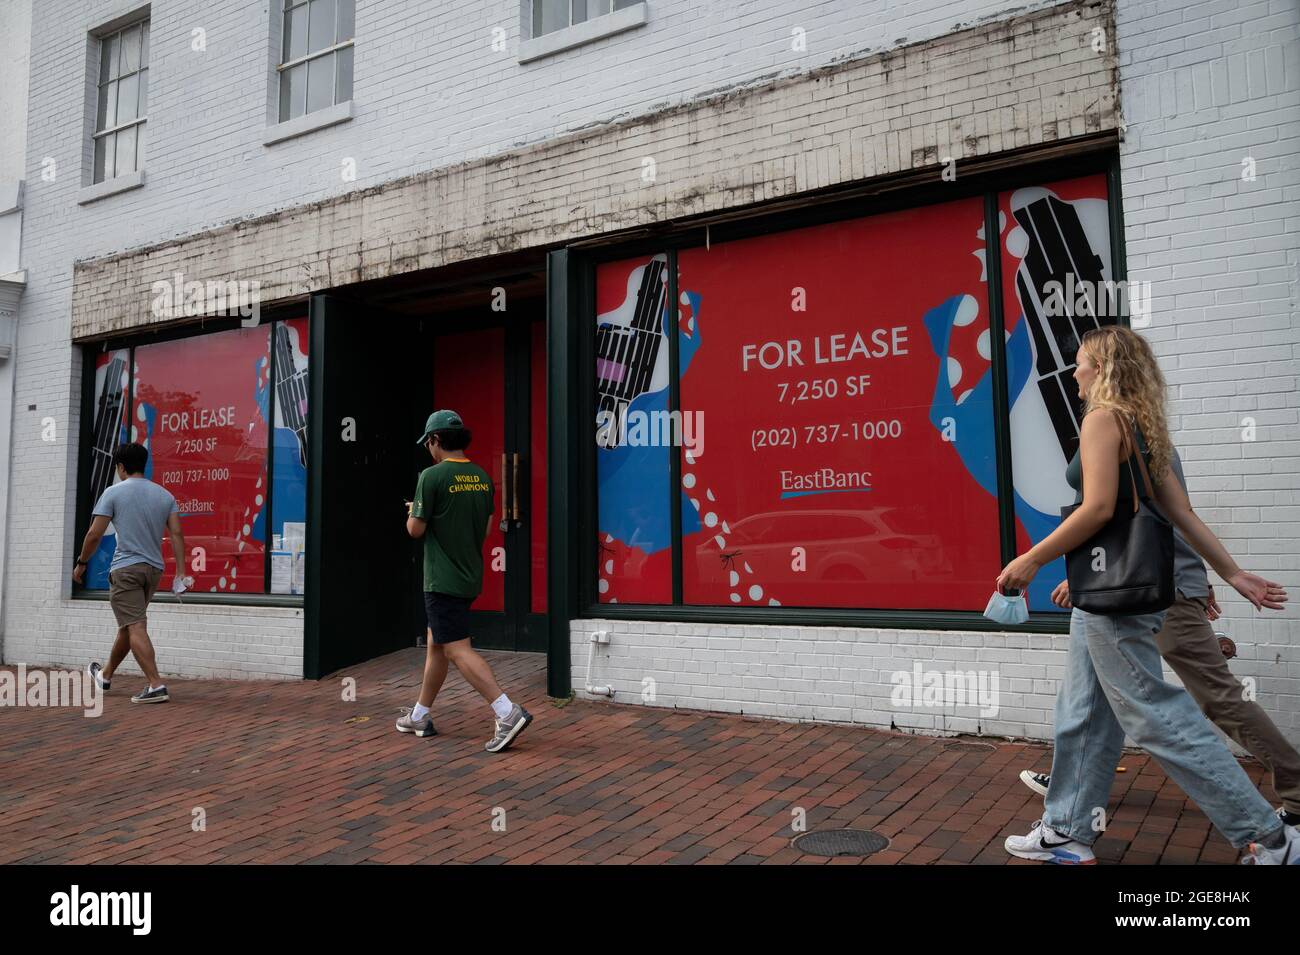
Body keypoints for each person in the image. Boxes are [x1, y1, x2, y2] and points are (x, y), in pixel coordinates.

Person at [995, 326, 1295, 865]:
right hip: (1108, 591)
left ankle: (1268, 839)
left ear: (1103, 370)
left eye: (1082, 362)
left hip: (1116, 597)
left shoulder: (1102, 419)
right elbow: (1181, 513)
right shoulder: (1141, 425)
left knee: (1154, 714)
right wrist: (1232, 573)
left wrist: (1032, 558)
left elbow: (1099, 509)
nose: (1075, 372)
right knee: (1083, 712)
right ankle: (1067, 829)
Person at [1018, 450, 1300, 829]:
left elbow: (1134, 517)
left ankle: (1292, 794)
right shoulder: (1139, 426)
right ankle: (1074, 784)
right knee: (1090, 696)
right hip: (1144, 581)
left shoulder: (1122, 425)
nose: (1077, 385)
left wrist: (1185, 577)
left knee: (1217, 698)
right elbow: (1159, 514)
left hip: (1153, 586)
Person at [395, 410, 533, 752]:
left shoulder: (431, 476)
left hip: (441, 578)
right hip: (469, 575)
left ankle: (507, 711)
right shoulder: (483, 477)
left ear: (436, 440)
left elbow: (416, 530)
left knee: (456, 649)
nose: (428, 448)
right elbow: (484, 529)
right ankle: (420, 715)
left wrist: (415, 510)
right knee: (436, 643)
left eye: (428, 442)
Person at [74, 442, 184, 704]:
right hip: (153, 570)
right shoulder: (165, 495)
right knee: (130, 624)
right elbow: (177, 533)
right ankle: (105, 675)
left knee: (135, 624)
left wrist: (82, 562)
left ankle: (156, 684)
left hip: (126, 569)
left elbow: (93, 534)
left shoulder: (113, 493)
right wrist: (181, 572)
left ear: (121, 467)